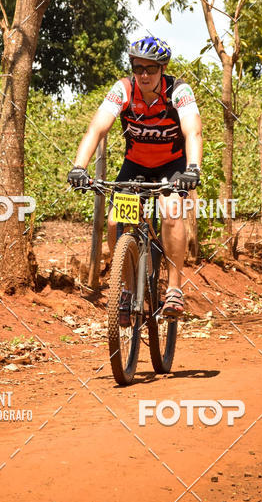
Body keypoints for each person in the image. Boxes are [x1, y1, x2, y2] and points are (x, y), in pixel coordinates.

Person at [67, 35, 202, 316]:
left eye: (151, 69)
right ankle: (127, 288)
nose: (144, 74)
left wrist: (193, 169)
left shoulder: (179, 91)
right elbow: (97, 129)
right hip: (136, 166)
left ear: (162, 69)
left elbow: (193, 132)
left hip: (171, 166)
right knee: (117, 221)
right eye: (138, 68)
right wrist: (80, 167)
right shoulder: (124, 90)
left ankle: (174, 289)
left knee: (172, 212)